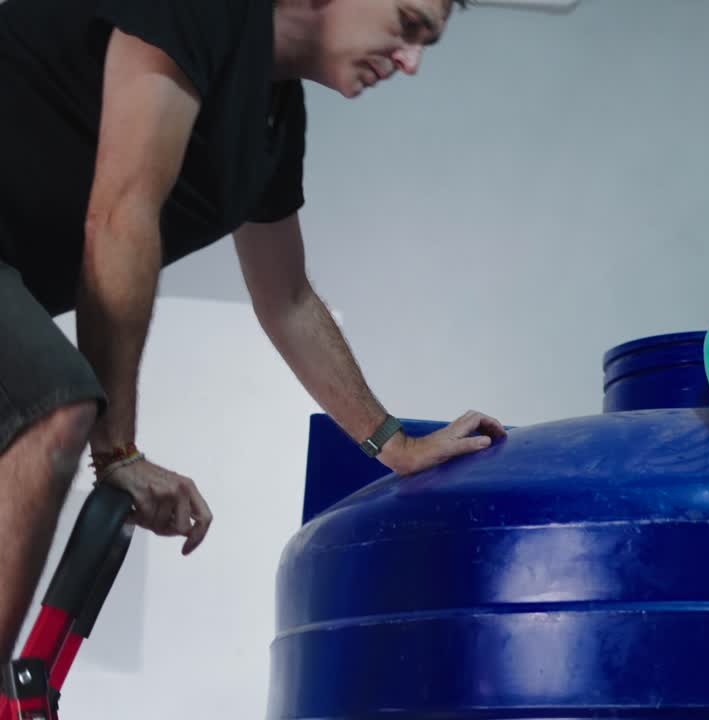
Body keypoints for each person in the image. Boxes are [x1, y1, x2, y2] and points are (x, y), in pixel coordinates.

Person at [0, 0, 507, 663]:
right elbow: (122, 216)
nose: (410, 61)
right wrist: (118, 455)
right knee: (53, 406)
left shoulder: (270, 120)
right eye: (408, 23)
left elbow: (287, 300)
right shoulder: (201, 12)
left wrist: (396, 445)